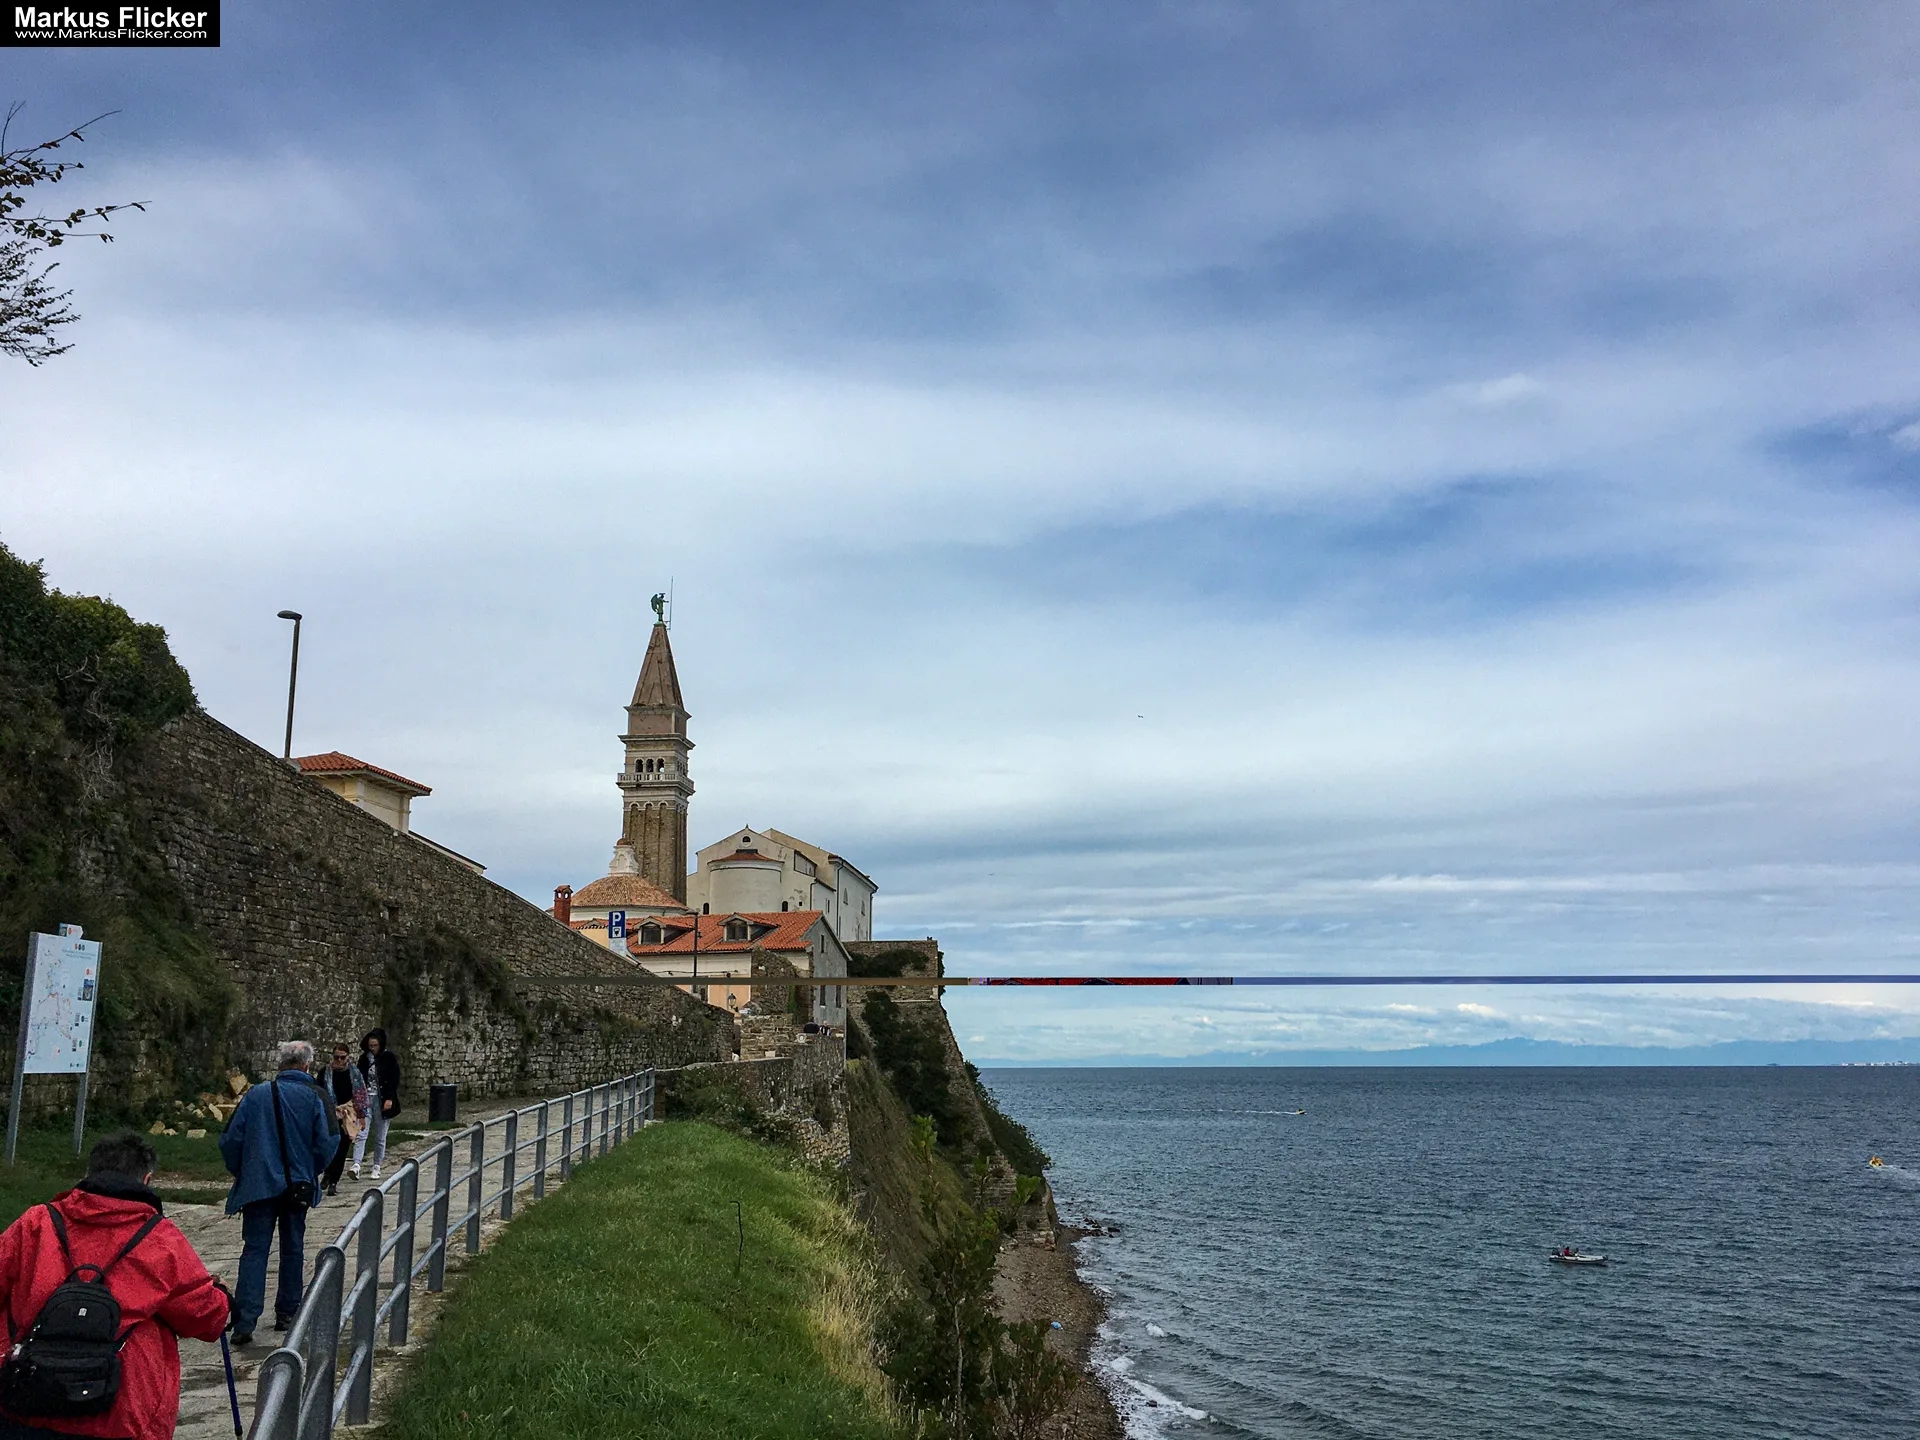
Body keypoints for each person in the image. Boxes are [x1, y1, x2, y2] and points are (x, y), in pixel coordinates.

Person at [0, 1132, 230, 1440]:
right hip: (121, 1412)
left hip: (28, 1398)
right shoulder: (161, 1239)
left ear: (89, 1173)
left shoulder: (37, 1222)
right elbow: (205, 1317)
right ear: (146, 1180)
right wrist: (223, 1298)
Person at [219, 1040, 335, 1344]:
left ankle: (245, 1320)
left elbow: (230, 1140)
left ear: (280, 1063)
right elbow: (327, 1142)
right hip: (298, 1186)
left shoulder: (256, 1094)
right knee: (293, 1248)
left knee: (254, 1250)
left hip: (259, 1184)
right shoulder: (316, 1097)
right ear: (307, 1065)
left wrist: (242, 1171)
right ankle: (287, 1312)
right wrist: (312, 1170)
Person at [352, 1028, 402, 1181]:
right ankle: (356, 1164)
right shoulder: (363, 1059)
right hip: (366, 1100)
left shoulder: (389, 1058)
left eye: (375, 1045)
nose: (372, 1048)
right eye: (370, 1045)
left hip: (382, 1100)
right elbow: (358, 1080)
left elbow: (394, 1079)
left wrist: (389, 1098)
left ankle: (377, 1165)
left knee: (380, 1136)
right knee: (362, 1133)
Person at [321, 1043, 368, 1197]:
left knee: (343, 1147)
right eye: (336, 1057)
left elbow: (360, 1095)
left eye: (343, 1057)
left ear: (347, 1057)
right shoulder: (325, 1073)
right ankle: (328, 1172)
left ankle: (334, 1181)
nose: (339, 1060)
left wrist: (361, 1116)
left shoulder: (354, 1074)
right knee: (330, 1146)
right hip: (330, 1113)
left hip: (348, 1113)